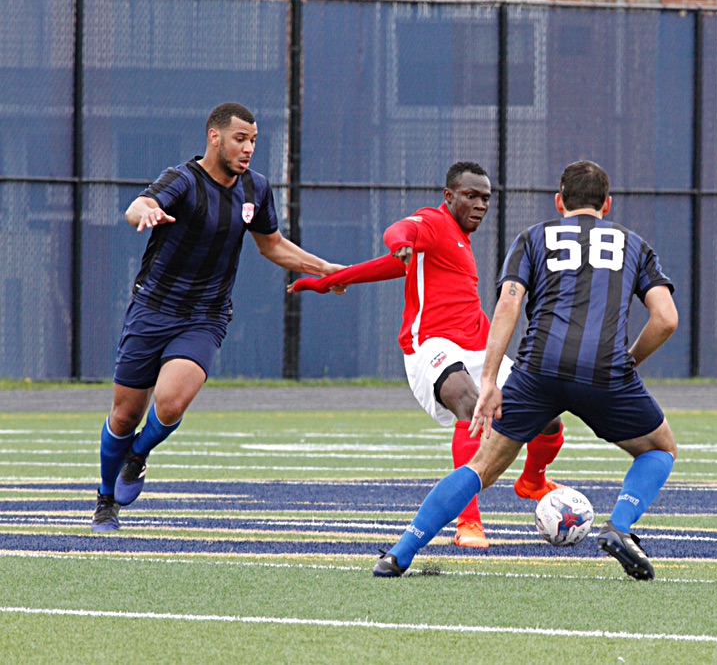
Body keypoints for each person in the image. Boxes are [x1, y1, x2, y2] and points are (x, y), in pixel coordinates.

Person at [372, 160, 678, 581]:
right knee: (660, 448)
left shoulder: (534, 238)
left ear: (559, 202)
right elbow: (666, 319)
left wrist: (489, 379)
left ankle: (399, 554)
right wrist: (626, 362)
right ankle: (620, 528)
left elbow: (509, 306)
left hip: (538, 371)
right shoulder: (635, 244)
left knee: (482, 468)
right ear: (607, 205)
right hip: (605, 371)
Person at [91, 102, 345, 533]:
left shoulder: (256, 189)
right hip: (152, 310)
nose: (248, 149)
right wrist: (145, 212)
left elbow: (273, 246)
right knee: (124, 415)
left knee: (171, 401)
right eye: (240, 139)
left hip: (205, 316)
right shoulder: (184, 179)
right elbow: (139, 206)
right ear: (215, 137)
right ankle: (104, 498)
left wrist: (327, 270)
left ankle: (137, 457)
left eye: (253, 141)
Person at [289, 162, 565, 549]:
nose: (480, 204)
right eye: (471, 196)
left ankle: (532, 480)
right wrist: (397, 242)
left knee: (549, 414)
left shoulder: (456, 240)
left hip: (479, 345)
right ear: (449, 196)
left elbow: (393, 266)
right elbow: (398, 235)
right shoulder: (432, 222)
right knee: (472, 408)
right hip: (432, 346)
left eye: (486, 198)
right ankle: (468, 524)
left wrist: (333, 279)